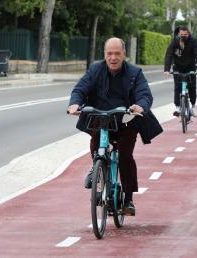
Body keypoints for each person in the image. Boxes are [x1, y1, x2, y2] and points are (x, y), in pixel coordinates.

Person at [67, 37, 160, 216]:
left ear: (124, 54)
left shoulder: (135, 73)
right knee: (96, 143)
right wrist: (74, 104)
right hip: (101, 117)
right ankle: (97, 166)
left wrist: (140, 106)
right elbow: (80, 89)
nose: (113, 58)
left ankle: (128, 200)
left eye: (117, 53)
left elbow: (144, 94)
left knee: (125, 155)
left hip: (126, 119)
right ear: (104, 55)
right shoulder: (95, 70)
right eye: (109, 54)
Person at [163, 26, 197, 117]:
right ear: (178, 34)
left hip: (190, 68)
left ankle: (193, 107)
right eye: (181, 35)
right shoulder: (174, 42)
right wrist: (166, 69)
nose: (183, 36)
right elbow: (169, 55)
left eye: (185, 35)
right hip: (178, 68)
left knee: (192, 88)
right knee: (177, 88)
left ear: (188, 34)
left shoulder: (193, 41)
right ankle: (177, 107)